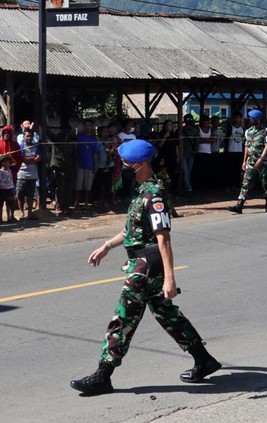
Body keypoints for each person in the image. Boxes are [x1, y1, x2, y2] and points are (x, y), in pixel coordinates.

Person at [70, 139, 221, 396]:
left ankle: (103, 375)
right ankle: (203, 359)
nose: (122, 166)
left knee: (123, 317)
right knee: (167, 315)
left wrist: (169, 278)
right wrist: (107, 246)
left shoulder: (154, 195)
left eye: (125, 162)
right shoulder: (141, 192)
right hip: (140, 261)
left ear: (139, 164)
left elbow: (163, 238)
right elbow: (132, 231)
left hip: (147, 265)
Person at [227, 109, 267, 214]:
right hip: (250, 161)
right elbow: (247, 147)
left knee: (266, 183)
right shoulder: (248, 131)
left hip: (263, 162)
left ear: (258, 119)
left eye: (252, 118)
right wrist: (244, 161)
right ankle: (239, 205)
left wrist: (261, 159)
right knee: (245, 183)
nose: (250, 120)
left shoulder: (266, 131)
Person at [16, 129, 42, 219]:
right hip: (21, 173)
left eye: (30, 136)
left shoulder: (36, 146)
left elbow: (39, 157)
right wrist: (32, 160)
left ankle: (29, 213)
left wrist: (31, 160)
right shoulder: (21, 146)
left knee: (30, 195)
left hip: (32, 174)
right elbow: (23, 159)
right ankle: (22, 213)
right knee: (20, 195)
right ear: (23, 137)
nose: (29, 137)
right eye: (27, 136)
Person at [75, 119, 98, 208]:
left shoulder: (93, 139)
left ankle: (86, 203)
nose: (88, 127)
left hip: (90, 165)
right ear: (83, 126)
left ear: (92, 127)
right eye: (86, 125)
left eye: (89, 125)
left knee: (88, 185)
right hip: (80, 164)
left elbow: (95, 153)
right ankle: (77, 203)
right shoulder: (78, 137)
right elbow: (75, 152)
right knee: (78, 185)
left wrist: (95, 164)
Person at [225, 112, 245, 191]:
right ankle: (229, 185)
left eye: (239, 118)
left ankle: (236, 185)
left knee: (237, 169)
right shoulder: (231, 128)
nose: (237, 119)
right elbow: (226, 140)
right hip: (231, 150)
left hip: (239, 151)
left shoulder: (242, 129)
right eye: (236, 118)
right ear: (233, 119)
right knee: (230, 169)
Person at [181, 114, 198, 193]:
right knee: (186, 171)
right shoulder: (180, 131)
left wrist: (196, 150)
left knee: (189, 171)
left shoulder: (194, 131)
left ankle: (188, 186)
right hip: (183, 153)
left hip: (191, 153)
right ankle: (188, 187)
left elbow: (196, 141)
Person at [0, 155, 15, 223]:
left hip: (10, 188)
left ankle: (11, 217)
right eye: (7, 162)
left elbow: (15, 163)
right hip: (2, 189)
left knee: (10, 204)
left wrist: (10, 156)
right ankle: (0, 219)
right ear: (3, 163)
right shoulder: (0, 171)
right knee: (1, 204)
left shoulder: (10, 169)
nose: (8, 163)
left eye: (9, 162)